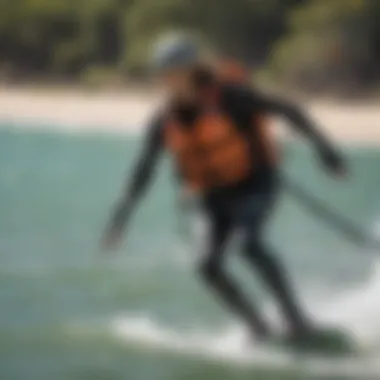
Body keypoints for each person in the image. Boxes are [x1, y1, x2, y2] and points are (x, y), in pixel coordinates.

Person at [102, 35, 346, 342]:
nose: (170, 80)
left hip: (254, 183)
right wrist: (120, 219)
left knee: (248, 244)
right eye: (164, 74)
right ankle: (258, 327)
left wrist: (326, 152)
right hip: (210, 196)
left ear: (193, 70)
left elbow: (289, 110)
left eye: (176, 72)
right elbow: (143, 170)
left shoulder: (231, 98)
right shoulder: (163, 120)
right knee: (206, 265)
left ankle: (296, 320)